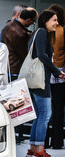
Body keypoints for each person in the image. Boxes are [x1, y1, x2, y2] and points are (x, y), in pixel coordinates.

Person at [25, 10, 65, 157]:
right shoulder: (42, 32)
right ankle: (39, 151)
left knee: (39, 115)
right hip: (40, 81)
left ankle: (33, 148)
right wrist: (56, 71)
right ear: (46, 20)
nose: (57, 23)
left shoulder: (38, 33)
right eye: (54, 20)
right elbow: (42, 55)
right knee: (45, 115)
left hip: (36, 80)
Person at [46, 4, 65, 149]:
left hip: (46, 72)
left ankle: (44, 141)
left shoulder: (44, 32)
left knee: (45, 109)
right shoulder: (62, 31)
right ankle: (57, 142)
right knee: (58, 109)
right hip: (60, 73)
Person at [1, 8, 37, 79]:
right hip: (15, 71)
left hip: (6, 68)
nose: (33, 23)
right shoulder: (20, 34)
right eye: (34, 21)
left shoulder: (8, 25)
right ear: (28, 20)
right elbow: (25, 55)